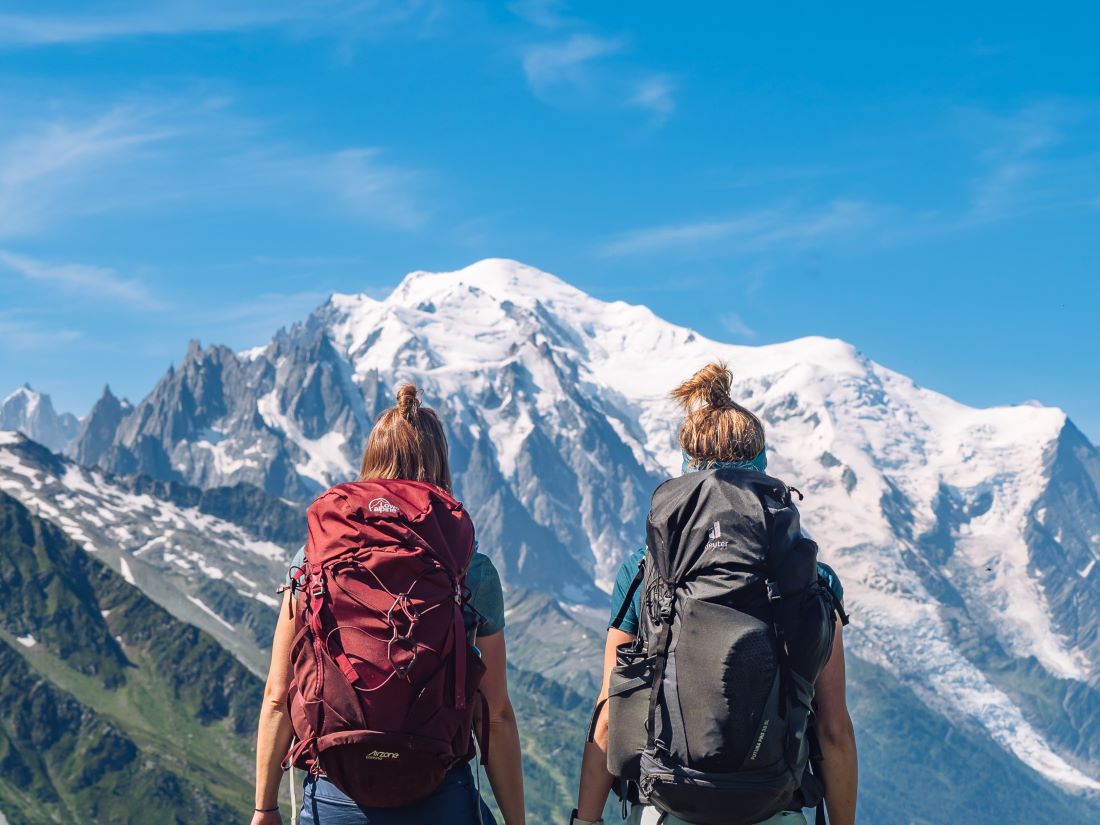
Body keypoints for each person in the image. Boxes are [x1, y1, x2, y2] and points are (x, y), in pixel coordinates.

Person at [574, 364, 858, 825]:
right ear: (762, 466)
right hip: (775, 808)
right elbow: (833, 729)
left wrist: (585, 822)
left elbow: (609, 714)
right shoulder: (810, 579)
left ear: (688, 468)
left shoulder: (646, 572)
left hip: (668, 807)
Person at [251, 384, 526, 825]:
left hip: (335, 795)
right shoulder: (470, 568)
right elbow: (494, 716)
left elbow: (277, 697)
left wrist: (264, 808)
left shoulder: (313, 561)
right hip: (439, 795)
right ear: (440, 464)